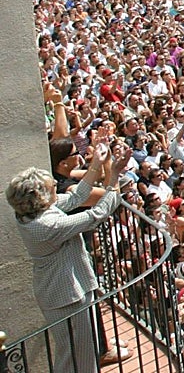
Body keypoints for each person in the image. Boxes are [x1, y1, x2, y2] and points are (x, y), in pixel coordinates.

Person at [7, 141, 131, 373]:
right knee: (77, 358)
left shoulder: (36, 212)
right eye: (51, 185)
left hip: (69, 290)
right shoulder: (47, 224)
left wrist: (96, 163)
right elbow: (97, 214)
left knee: (81, 353)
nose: (56, 184)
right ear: (39, 196)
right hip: (66, 295)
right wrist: (113, 178)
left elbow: (76, 199)